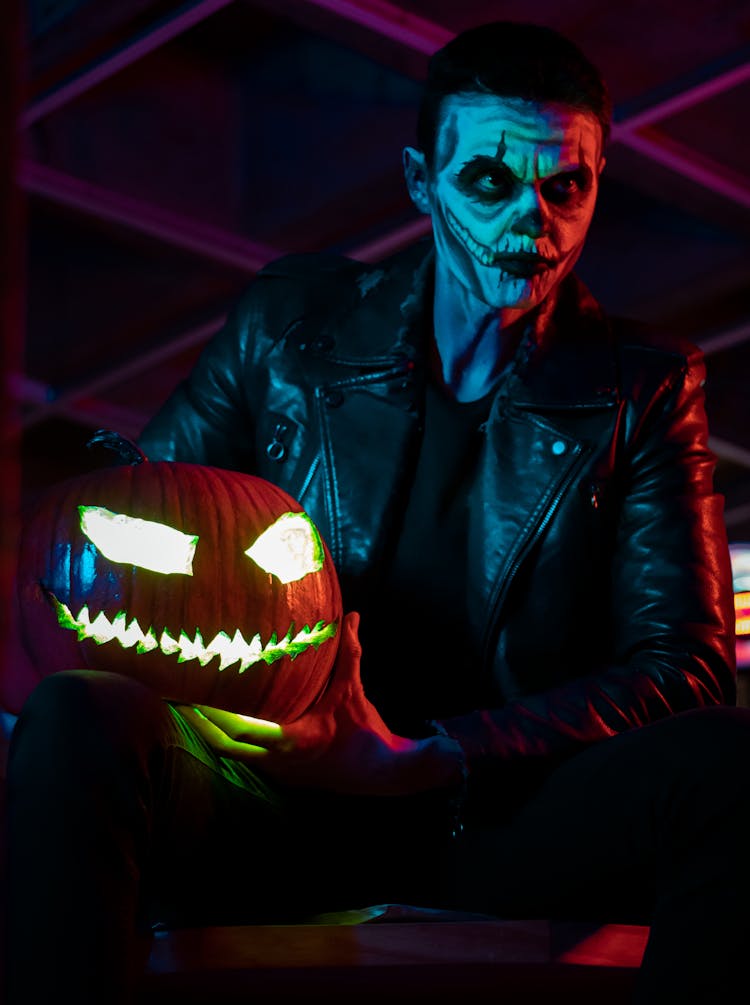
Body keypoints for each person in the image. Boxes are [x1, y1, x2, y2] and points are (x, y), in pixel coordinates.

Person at [5, 20, 749, 1005]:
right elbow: (143, 511)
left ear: (598, 181)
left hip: (487, 819)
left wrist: (432, 757)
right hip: (278, 796)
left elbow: (686, 668)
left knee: (733, 762)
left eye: (566, 186)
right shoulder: (289, 329)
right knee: (76, 714)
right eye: (490, 181)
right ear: (419, 182)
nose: (535, 219)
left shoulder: (644, 387)